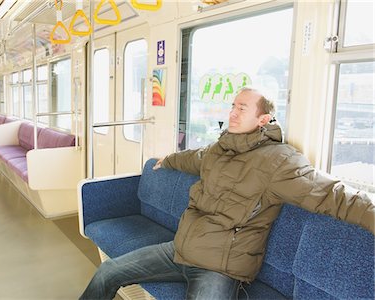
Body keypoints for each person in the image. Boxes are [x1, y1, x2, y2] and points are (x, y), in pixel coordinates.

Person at [80, 87, 374, 300]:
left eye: (242, 108)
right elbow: (193, 158)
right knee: (107, 273)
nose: (232, 113)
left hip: (220, 267)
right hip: (179, 250)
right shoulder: (219, 150)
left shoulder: (280, 161)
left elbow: (332, 196)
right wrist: (167, 159)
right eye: (232, 106)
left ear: (263, 120)